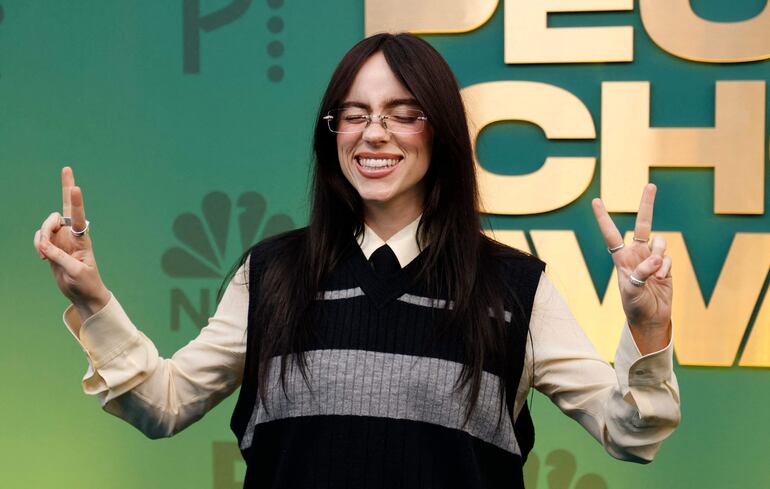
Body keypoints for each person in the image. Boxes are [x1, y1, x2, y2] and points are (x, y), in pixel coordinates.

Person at [34, 33, 679, 489]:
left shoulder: (514, 288)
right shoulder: (273, 274)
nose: (376, 134)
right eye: (356, 115)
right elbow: (163, 403)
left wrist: (648, 330)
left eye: (404, 115)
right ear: (331, 133)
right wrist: (93, 300)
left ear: (443, 136)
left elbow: (629, 432)